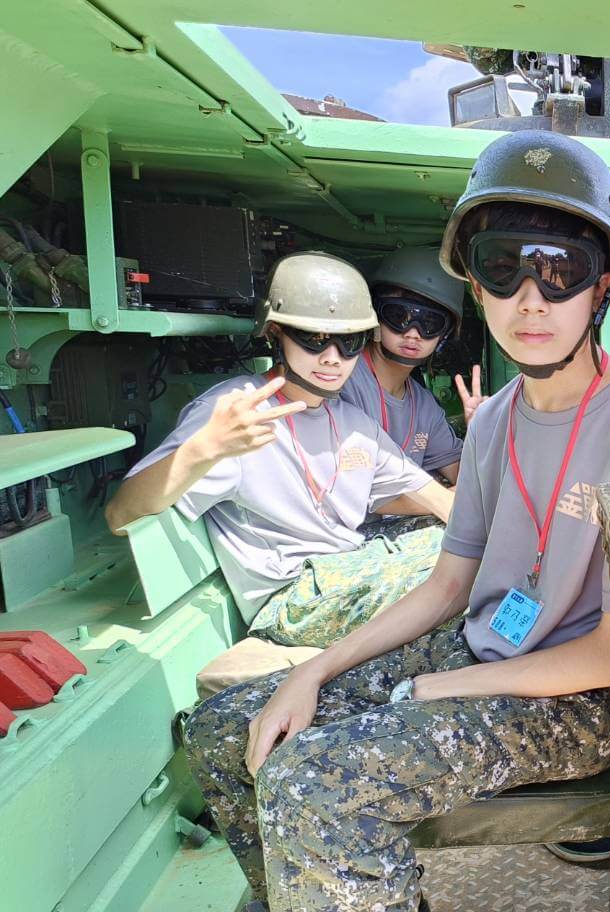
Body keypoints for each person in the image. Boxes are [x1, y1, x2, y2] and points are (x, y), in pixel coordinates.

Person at [182, 130, 610, 912]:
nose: (531, 301)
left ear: (605, 287)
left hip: (582, 696)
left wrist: (437, 693)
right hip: (487, 651)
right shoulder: (499, 415)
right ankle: (339, 910)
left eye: (562, 271)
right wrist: (318, 666)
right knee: (230, 729)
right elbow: (451, 582)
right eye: (504, 271)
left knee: (318, 779)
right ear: (476, 285)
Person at [105, 252, 453, 647]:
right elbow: (120, 516)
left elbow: (441, 502)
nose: (332, 359)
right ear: (275, 335)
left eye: (348, 343)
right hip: (293, 598)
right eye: (314, 340)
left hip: (351, 566)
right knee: (461, 577)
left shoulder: (353, 423)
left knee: (470, 552)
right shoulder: (235, 414)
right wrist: (204, 448)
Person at [337, 246, 471, 539]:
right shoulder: (341, 379)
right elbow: (355, 494)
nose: (413, 333)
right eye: (399, 316)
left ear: (444, 335)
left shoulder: (423, 405)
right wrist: (447, 499)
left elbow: (460, 473)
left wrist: (481, 436)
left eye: (429, 323)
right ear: (376, 316)